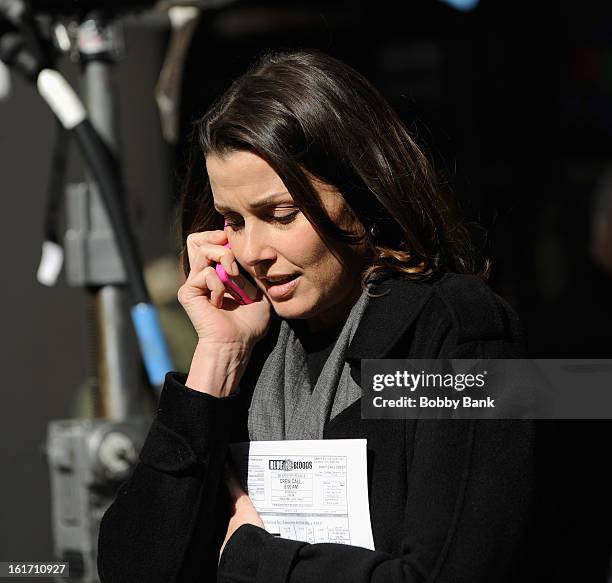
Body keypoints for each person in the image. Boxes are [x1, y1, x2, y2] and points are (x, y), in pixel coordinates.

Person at [98, 50, 559, 583]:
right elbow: (136, 569)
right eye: (233, 220)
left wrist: (254, 559)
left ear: (360, 192)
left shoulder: (451, 331)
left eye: (282, 214)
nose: (253, 251)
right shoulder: (255, 347)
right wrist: (216, 362)